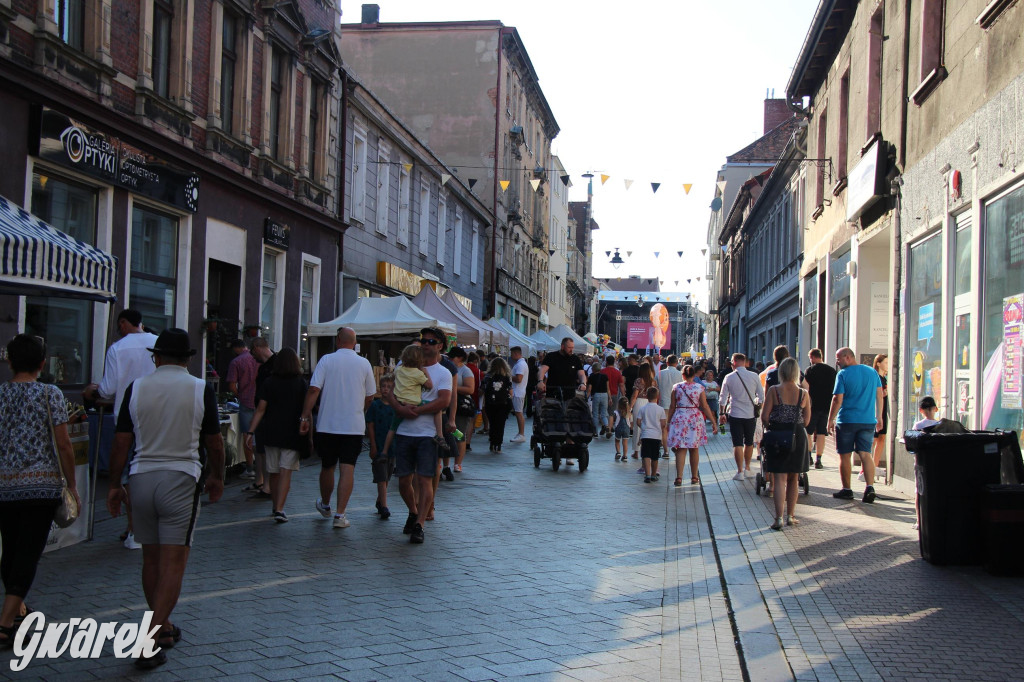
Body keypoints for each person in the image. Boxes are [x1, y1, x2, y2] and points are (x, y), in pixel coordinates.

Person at [107, 329, 225, 670]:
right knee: (175, 563)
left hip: (141, 476)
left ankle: (163, 626)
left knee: (151, 560)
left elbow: (121, 442)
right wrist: (217, 476)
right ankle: (150, 638)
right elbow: (215, 441)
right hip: (181, 477)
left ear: (156, 357)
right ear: (187, 358)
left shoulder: (137, 387)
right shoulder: (200, 388)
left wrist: (115, 484)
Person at [0, 335, 81, 647]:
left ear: (10, 362)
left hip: (4, 486)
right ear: (43, 364)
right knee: (28, 554)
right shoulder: (51, 393)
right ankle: (6, 623)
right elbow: (63, 443)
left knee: (10, 550)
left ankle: (17, 611)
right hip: (40, 486)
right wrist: (72, 484)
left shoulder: (1, 394)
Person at [83, 309, 159, 550]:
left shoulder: (118, 348)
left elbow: (108, 389)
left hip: (128, 417)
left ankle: (134, 527)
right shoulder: (157, 342)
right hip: (158, 416)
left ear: (124, 323)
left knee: (130, 475)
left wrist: (94, 390)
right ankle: (147, 525)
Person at [301, 327, 376, 529]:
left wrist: (304, 416)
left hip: (328, 424)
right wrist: (361, 409)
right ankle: (340, 514)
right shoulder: (364, 363)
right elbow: (370, 396)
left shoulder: (326, 360)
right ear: (355, 341)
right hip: (353, 425)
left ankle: (325, 504)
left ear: (337, 340)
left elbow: (314, 389)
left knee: (327, 466)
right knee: (347, 468)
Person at [389, 327, 453, 544]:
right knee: (403, 480)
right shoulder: (402, 366)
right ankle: (413, 511)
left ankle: (420, 524)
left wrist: (415, 410)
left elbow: (444, 401)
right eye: (423, 340)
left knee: (425, 480)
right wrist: (399, 408)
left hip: (427, 434)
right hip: (404, 432)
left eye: (431, 341)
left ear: (440, 346)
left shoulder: (443, 372)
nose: (426, 344)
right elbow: (389, 393)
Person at [245, 348, 307, 523]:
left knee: (273, 471)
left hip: (271, 431)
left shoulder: (269, 382)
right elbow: (306, 409)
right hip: (292, 433)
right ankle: (280, 508)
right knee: (286, 471)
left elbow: (260, 409)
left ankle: (274, 506)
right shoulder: (301, 383)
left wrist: (251, 431)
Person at [828, 347, 883, 503]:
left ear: (847, 358)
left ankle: (847, 490)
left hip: (847, 421)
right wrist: (879, 416)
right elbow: (879, 395)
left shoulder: (843, 374)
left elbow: (837, 399)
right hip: (867, 420)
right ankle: (870, 487)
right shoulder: (872, 372)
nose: (837, 362)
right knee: (866, 454)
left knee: (845, 455)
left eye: (838, 359)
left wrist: (830, 419)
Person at [761, 358, 811, 530]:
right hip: (797, 436)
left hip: (777, 436)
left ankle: (778, 519)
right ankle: (791, 516)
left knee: (779, 478)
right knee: (794, 478)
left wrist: (772, 428)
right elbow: (807, 419)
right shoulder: (804, 393)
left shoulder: (774, 391)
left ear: (781, 372)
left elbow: (764, 416)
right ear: (797, 373)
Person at [381, 344, 445, 456]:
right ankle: (440, 435)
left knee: (393, 427)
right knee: (438, 409)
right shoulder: (418, 373)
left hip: (400, 402)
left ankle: (384, 451)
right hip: (414, 402)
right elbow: (430, 385)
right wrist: (425, 372)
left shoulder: (399, 369)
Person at [537, 338, 588, 465]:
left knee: (570, 422)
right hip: (553, 394)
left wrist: (583, 383)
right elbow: (542, 370)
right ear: (562, 346)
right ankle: (555, 446)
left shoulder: (575, 359)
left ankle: (569, 451)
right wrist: (540, 381)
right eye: (569, 347)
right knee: (555, 421)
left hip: (570, 395)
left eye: (572, 347)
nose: (571, 350)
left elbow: (581, 373)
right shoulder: (551, 356)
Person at [667, 364, 717, 486]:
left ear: (682, 375)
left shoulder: (676, 387)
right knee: (694, 448)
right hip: (695, 418)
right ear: (694, 375)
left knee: (681, 448)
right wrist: (714, 422)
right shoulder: (699, 388)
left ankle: (679, 477)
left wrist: (668, 421)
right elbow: (705, 406)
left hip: (680, 417)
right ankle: (694, 477)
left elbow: (672, 406)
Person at [718, 353, 764, 481]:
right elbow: (761, 396)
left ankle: (739, 471)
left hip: (735, 414)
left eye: (732, 361)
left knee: (737, 443)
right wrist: (757, 405)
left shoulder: (729, 377)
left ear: (737, 361)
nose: (731, 364)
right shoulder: (754, 376)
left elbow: (723, 398)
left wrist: (721, 413)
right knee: (749, 442)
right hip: (750, 415)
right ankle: (747, 468)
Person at [226, 339, 260, 487]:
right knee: (260, 434)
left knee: (248, 435)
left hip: (246, 402)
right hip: (261, 402)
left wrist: (240, 394)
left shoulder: (236, 362)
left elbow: (232, 384)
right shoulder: (260, 359)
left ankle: (250, 468)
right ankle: (261, 468)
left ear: (235, 349)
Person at [365, 374, 397, 520]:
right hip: (378, 444)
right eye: (383, 386)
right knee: (381, 476)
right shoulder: (375, 405)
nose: (385, 389)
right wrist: (372, 444)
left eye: (389, 387)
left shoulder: (396, 406)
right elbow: (370, 424)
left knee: (388, 475)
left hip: (392, 446)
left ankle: (380, 500)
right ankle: (384, 506)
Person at [249, 337, 277, 497]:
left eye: (253, 352)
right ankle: (262, 482)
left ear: (257, 348)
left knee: (265, 450)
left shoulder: (276, 364)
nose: (253, 357)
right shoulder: (264, 367)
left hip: (268, 414)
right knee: (260, 449)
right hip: (262, 412)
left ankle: (268, 486)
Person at [449, 347, 475, 473]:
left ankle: (458, 463)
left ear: (459, 358)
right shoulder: (447, 367)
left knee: (459, 433)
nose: (449, 359)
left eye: (451, 357)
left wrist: (453, 388)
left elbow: (470, 389)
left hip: (460, 406)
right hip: (447, 404)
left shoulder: (465, 370)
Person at [865, 354, 889, 482]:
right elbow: (876, 395)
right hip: (876, 412)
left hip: (884, 412)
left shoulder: (885, 378)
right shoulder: (875, 377)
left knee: (882, 438)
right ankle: (866, 469)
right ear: (878, 363)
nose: (888, 365)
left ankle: (875, 465)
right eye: (885, 362)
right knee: (873, 439)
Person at [636, 386, 667, 483]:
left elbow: (638, 421)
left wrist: (644, 427)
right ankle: (654, 474)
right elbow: (663, 424)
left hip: (646, 435)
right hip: (656, 435)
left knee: (646, 455)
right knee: (655, 456)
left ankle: (647, 475)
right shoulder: (660, 409)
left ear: (646, 396)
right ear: (657, 396)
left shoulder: (643, 408)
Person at [483, 358, 513, 452]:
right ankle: (498, 444)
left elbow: (482, 389)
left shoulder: (488, 376)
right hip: (503, 403)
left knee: (492, 422)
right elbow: (510, 391)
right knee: (501, 423)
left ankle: (492, 442)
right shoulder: (507, 376)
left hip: (490, 403)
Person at [629, 364, 657, 463]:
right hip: (650, 403)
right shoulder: (653, 382)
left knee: (638, 427)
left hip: (639, 402)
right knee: (648, 427)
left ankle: (636, 451)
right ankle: (646, 450)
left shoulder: (638, 381)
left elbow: (634, 396)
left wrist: (630, 407)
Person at [600, 355, 625, 438]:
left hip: (603, 393)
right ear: (614, 362)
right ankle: (609, 429)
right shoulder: (617, 372)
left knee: (603, 411)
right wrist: (624, 395)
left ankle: (605, 426)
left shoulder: (602, 371)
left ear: (606, 362)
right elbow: (621, 385)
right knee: (611, 413)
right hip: (614, 394)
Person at [509, 347, 529, 443]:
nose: (511, 356)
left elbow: (518, 379)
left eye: (512, 354)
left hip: (518, 391)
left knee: (518, 413)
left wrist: (508, 376)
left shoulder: (520, 365)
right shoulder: (521, 363)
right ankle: (520, 433)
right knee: (518, 412)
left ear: (516, 353)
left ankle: (521, 434)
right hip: (518, 391)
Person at [586, 360, 610, 437]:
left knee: (595, 414)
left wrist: (586, 397)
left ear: (593, 369)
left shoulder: (591, 377)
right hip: (604, 395)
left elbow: (589, 389)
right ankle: (606, 426)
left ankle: (595, 432)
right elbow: (608, 388)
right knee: (604, 413)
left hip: (596, 395)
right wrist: (610, 398)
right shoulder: (605, 376)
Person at [465, 352, 483, 451]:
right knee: (471, 422)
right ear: (476, 361)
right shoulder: (478, 372)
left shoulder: (462, 369)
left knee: (460, 421)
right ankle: (467, 443)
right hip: (473, 399)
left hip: (461, 399)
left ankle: (458, 440)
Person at [612, 396, 632, 461]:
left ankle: (618, 452)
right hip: (626, 428)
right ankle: (625, 456)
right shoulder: (629, 411)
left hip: (618, 428)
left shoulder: (616, 412)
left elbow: (614, 419)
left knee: (617, 441)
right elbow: (629, 419)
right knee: (625, 443)